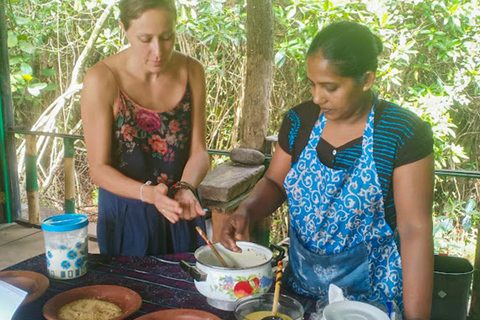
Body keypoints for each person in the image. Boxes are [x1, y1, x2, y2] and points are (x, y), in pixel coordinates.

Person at [220, 21, 434, 319]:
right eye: (312, 84)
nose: (318, 97)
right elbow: (275, 182)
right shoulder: (300, 122)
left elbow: (414, 230)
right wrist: (247, 210)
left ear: (367, 79)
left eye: (330, 87)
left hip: (370, 302)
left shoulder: (401, 132)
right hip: (299, 290)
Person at [81, 0, 210, 256]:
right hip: (126, 215)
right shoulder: (102, 79)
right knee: (129, 293)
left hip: (180, 209)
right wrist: (148, 194)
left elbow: (200, 152)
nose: (158, 51)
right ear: (123, 28)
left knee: (185, 291)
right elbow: (98, 169)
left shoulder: (191, 71)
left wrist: (186, 188)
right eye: (144, 38)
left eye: (166, 37)